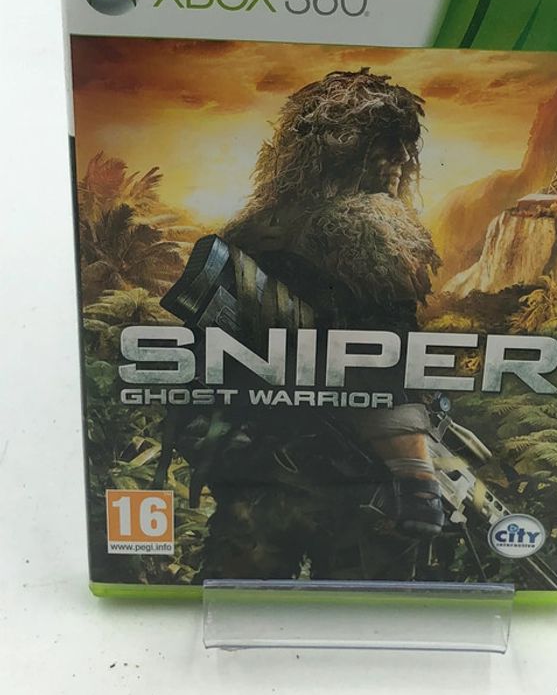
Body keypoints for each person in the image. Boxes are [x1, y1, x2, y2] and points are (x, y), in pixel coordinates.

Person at [178, 69, 445, 580]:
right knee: (361, 610)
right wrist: (416, 478)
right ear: (342, 152)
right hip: (345, 483)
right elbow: (386, 363)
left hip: (260, 474)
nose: (397, 162)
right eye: (383, 146)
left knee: (243, 598)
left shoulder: (249, 232)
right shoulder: (372, 231)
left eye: (401, 147)